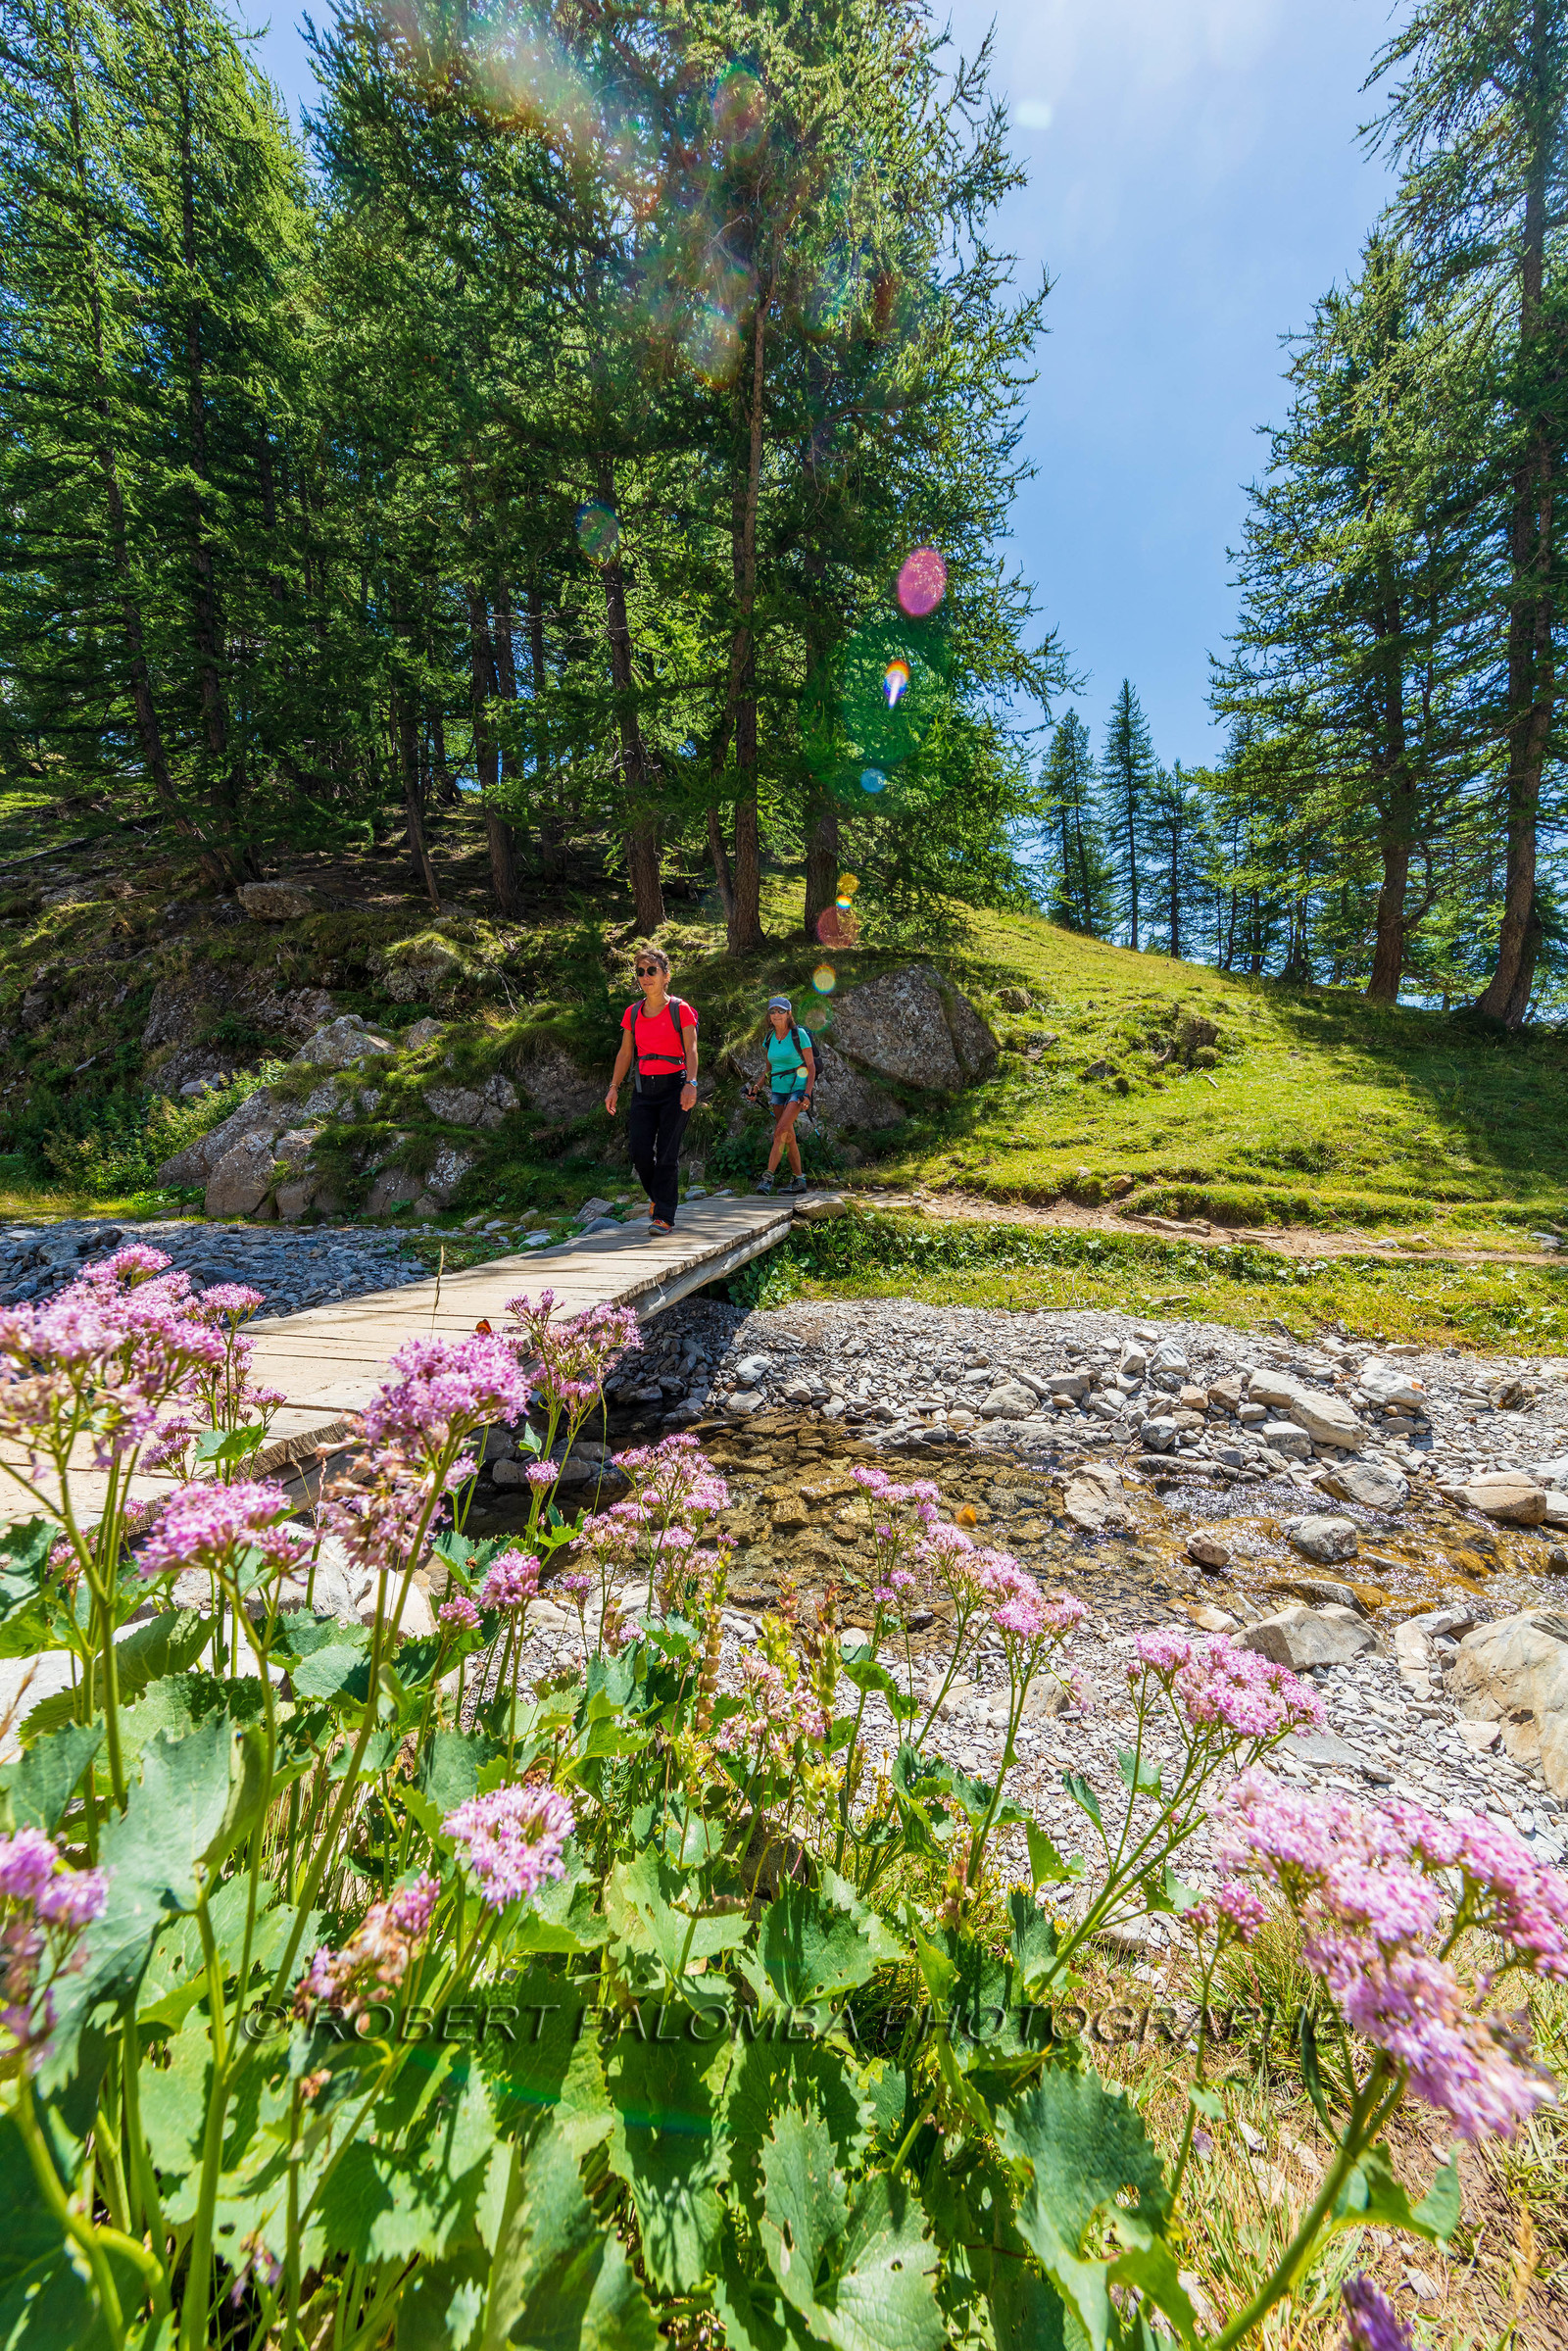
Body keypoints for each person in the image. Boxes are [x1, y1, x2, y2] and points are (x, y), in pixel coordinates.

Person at [605, 946, 698, 1234]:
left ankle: (664, 1216)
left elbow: (692, 1048)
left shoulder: (679, 1009)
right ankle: (658, 1200)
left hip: (675, 1087)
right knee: (640, 1151)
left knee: (668, 1154)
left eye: (651, 971)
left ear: (665, 976)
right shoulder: (632, 1013)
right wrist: (613, 1087)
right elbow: (624, 1053)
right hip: (643, 1089)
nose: (645, 977)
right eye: (641, 972)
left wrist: (691, 1084)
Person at [754, 994, 816, 1197]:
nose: (776, 1014)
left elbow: (811, 1066)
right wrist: (757, 1086)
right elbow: (769, 1068)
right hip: (778, 1090)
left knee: (780, 1129)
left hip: (797, 1088)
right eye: (773, 1011)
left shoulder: (799, 1035)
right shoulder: (770, 1037)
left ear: (789, 1014)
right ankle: (799, 1180)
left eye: (781, 1011)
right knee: (788, 1137)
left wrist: (807, 1094)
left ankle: (767, 1178)